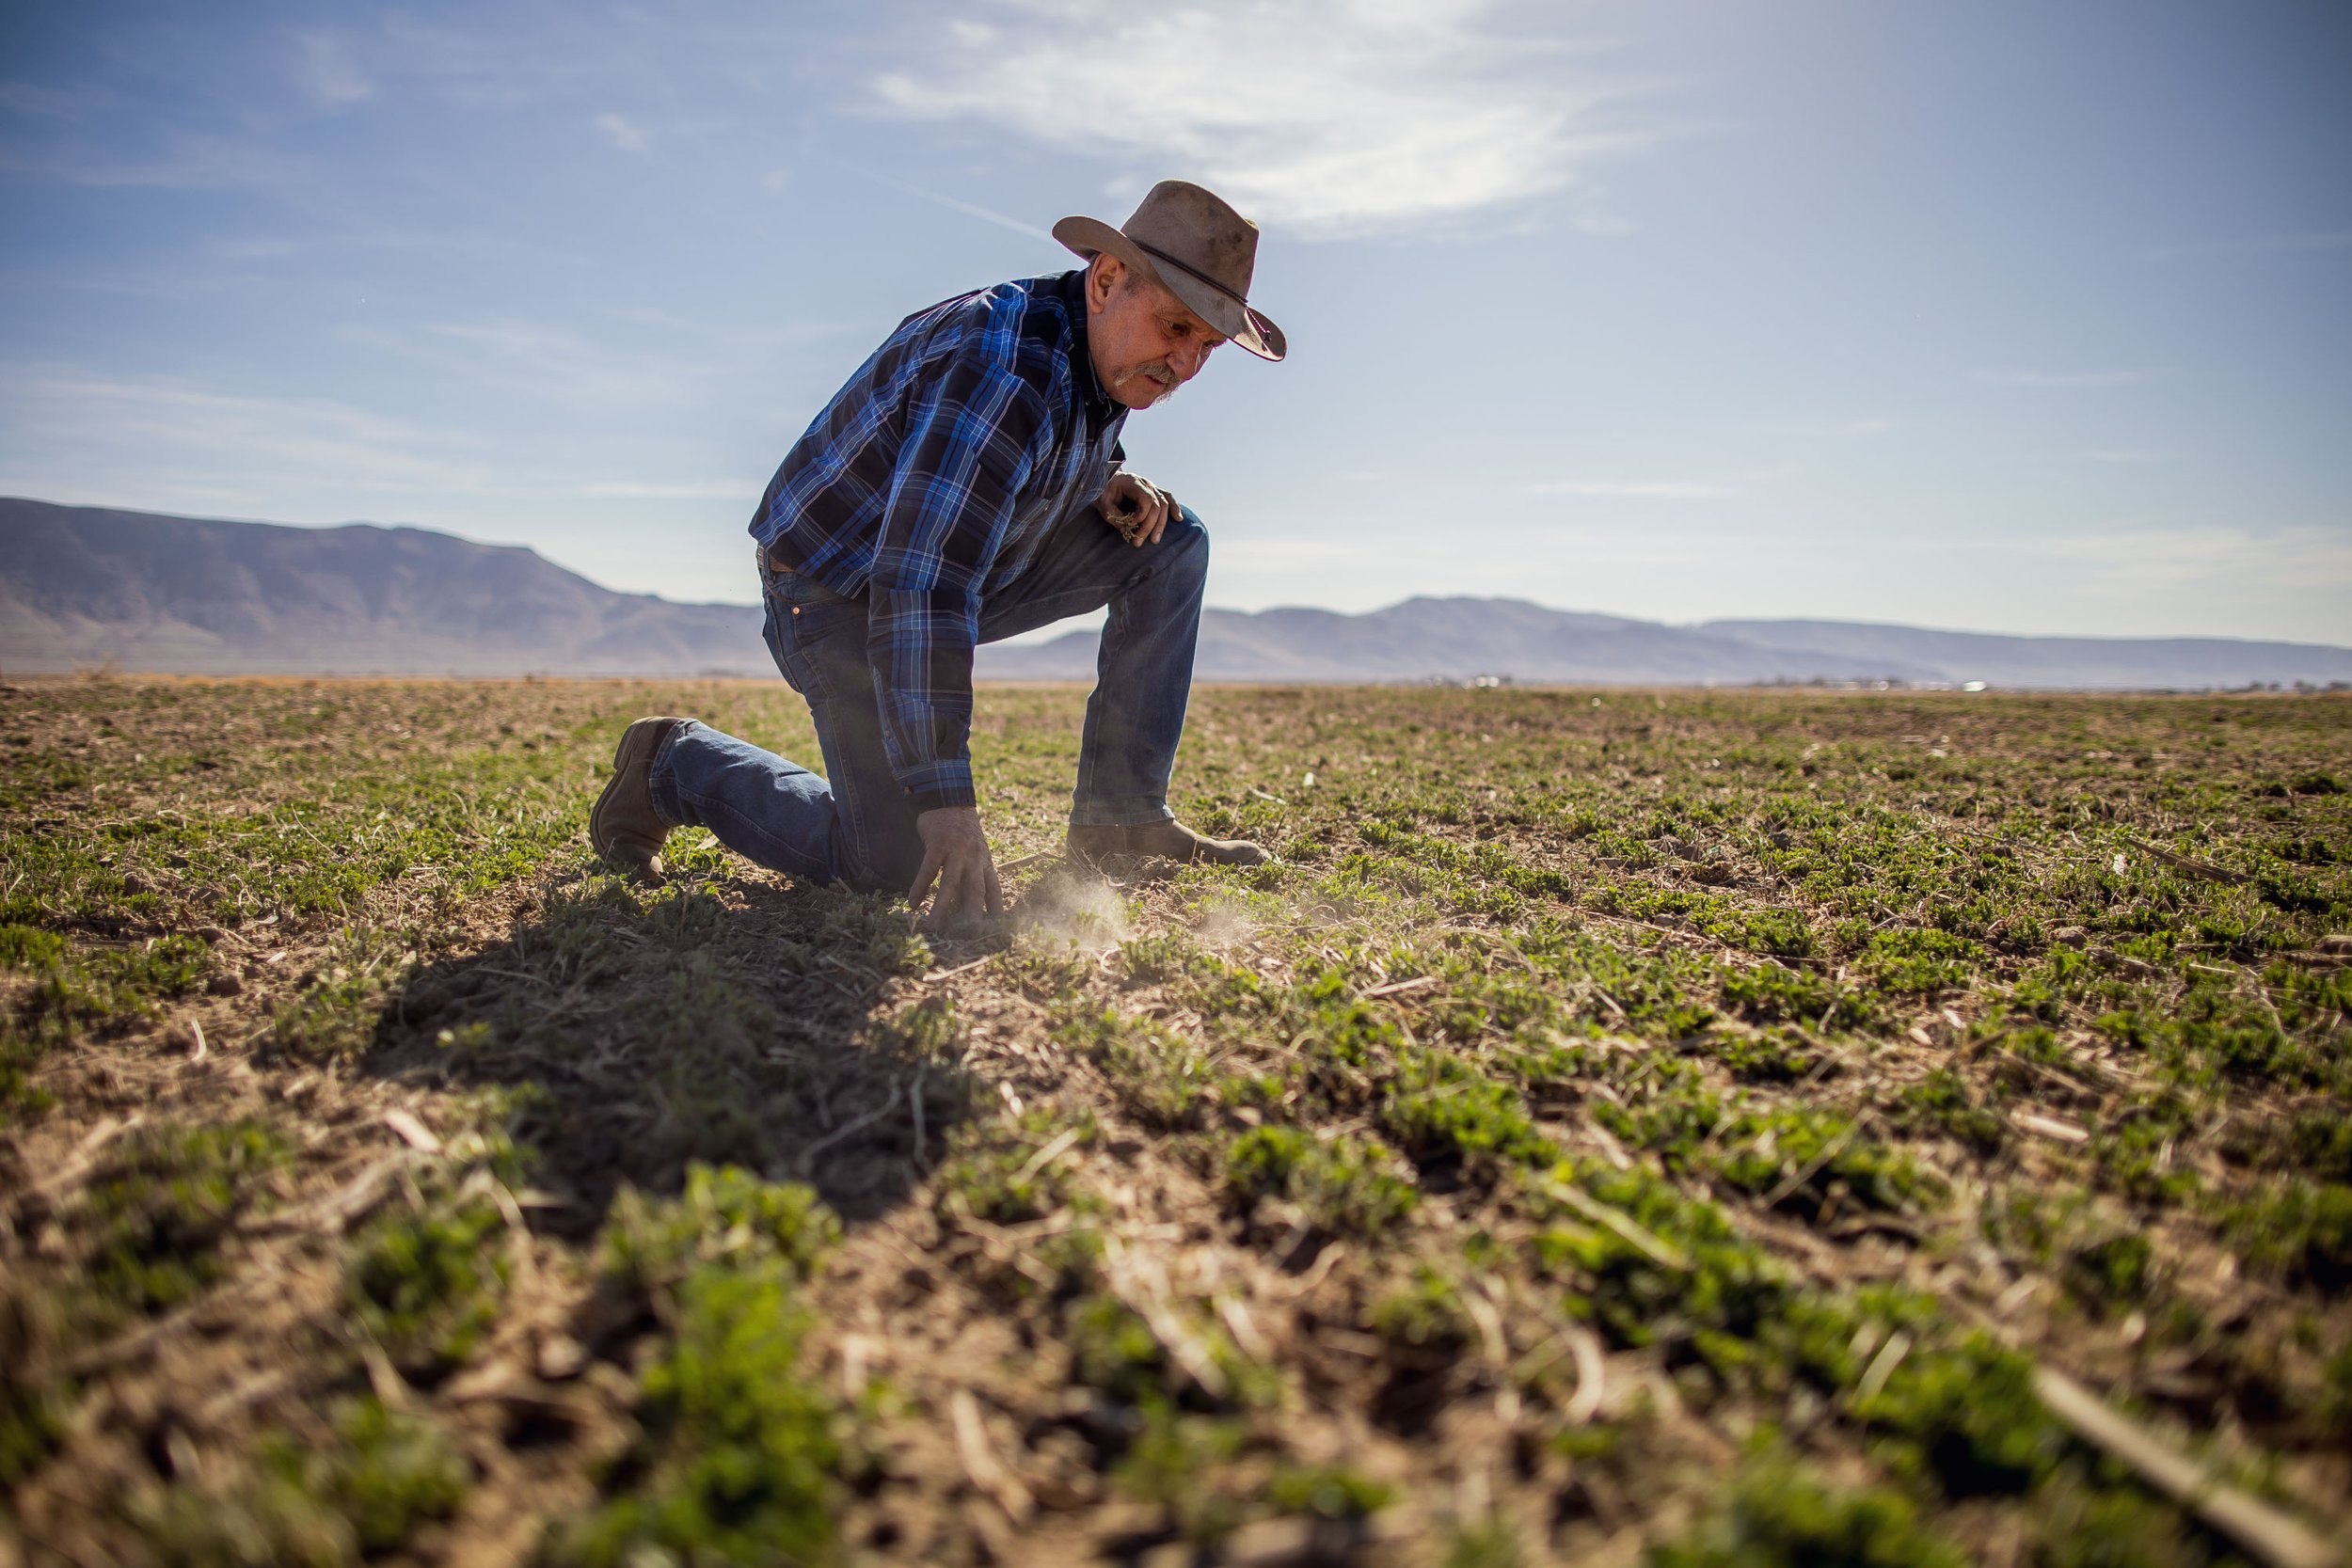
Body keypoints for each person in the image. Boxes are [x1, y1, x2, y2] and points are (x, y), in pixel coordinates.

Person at [588, 180, 1286, 925]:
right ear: (1107, 280)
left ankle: (1121, 815)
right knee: (892, 863)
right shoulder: (1001, 369)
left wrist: (1103, 480)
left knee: (1170, 544)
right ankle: (671, 763)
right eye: (1176, 327)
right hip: (833, 595)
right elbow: (922, 583)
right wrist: (944, 798)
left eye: (1205, 346)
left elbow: (1018, 463)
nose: (1184, 364)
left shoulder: (1094, 349)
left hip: (958, 567)